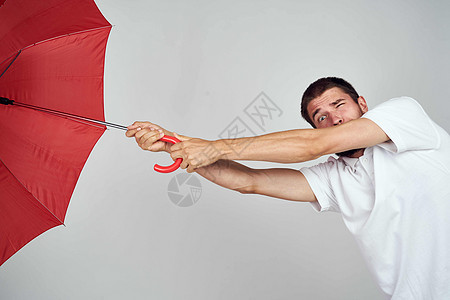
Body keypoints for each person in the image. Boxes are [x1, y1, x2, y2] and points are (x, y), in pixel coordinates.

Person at [126, 77, 450, 299]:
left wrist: (213, 146)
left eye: (339, 105)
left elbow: (316, 146)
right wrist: (179, 147)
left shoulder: (404, 116)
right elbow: (249, 181)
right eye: (319, 117)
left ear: (363, 104)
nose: (333, 118)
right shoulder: (336, 176)